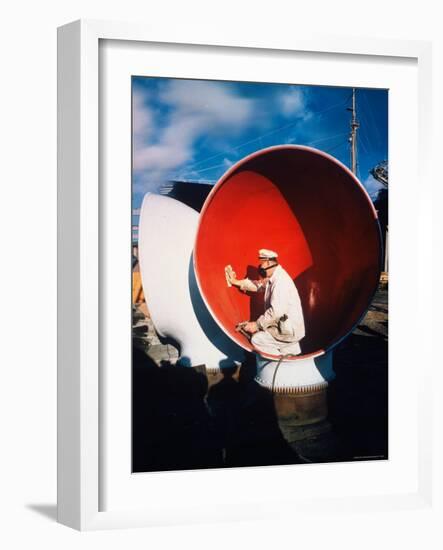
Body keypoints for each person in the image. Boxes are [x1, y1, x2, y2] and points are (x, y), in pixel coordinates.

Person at [225, 249, 305, 357]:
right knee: (289, 353)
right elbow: (258, 285)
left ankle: (280, 365)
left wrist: (256, 325)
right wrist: (236, 282)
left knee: (257, 340)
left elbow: (276, 312)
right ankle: (289, 360)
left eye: (261, 263)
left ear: (267, 262)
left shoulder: (280, 282)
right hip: (286, 327)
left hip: (289, 330)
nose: (261, 267)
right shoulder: (274, 277)